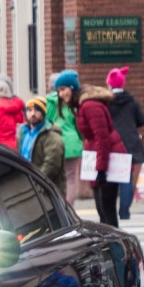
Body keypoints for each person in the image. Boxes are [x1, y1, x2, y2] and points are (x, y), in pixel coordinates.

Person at [77, 83, 125, 227]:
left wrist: (101, 169)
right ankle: (109, 246)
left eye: (63, 89)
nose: (60, 95)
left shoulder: (90, 106)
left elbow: (101, 138)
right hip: (99, 156)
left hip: (104, 158)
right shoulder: (86, 105)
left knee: (106, 211)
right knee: (104, 210)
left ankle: (113, 247)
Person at [106, 67, 144, 220]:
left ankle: (110, 210)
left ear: (110, 84)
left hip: (112, 142)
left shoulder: (106, 102)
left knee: (110, 178)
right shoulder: (131, 100)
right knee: (127, 178)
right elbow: (141, 120)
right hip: (130, 142)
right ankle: (124, 212)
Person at [46, 70, 84, 205]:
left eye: (63, 89)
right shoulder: (75, 103)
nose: (61, 94)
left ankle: (60, 208)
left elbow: (47, 121)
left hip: (54, 143)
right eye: (59, 90)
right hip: (72, 144)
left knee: (56, 177)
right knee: (70, 178)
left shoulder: (49, 102)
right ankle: (69, 209)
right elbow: (79, 127)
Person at [19, 96, 65, 199]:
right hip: (26, 184)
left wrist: (37, 181)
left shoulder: (51, 135)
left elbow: (52, 163)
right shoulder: (23, 133)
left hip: (45, 188)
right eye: (29, 110)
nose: (33, 114)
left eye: (37, 110)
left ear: (44, 113)